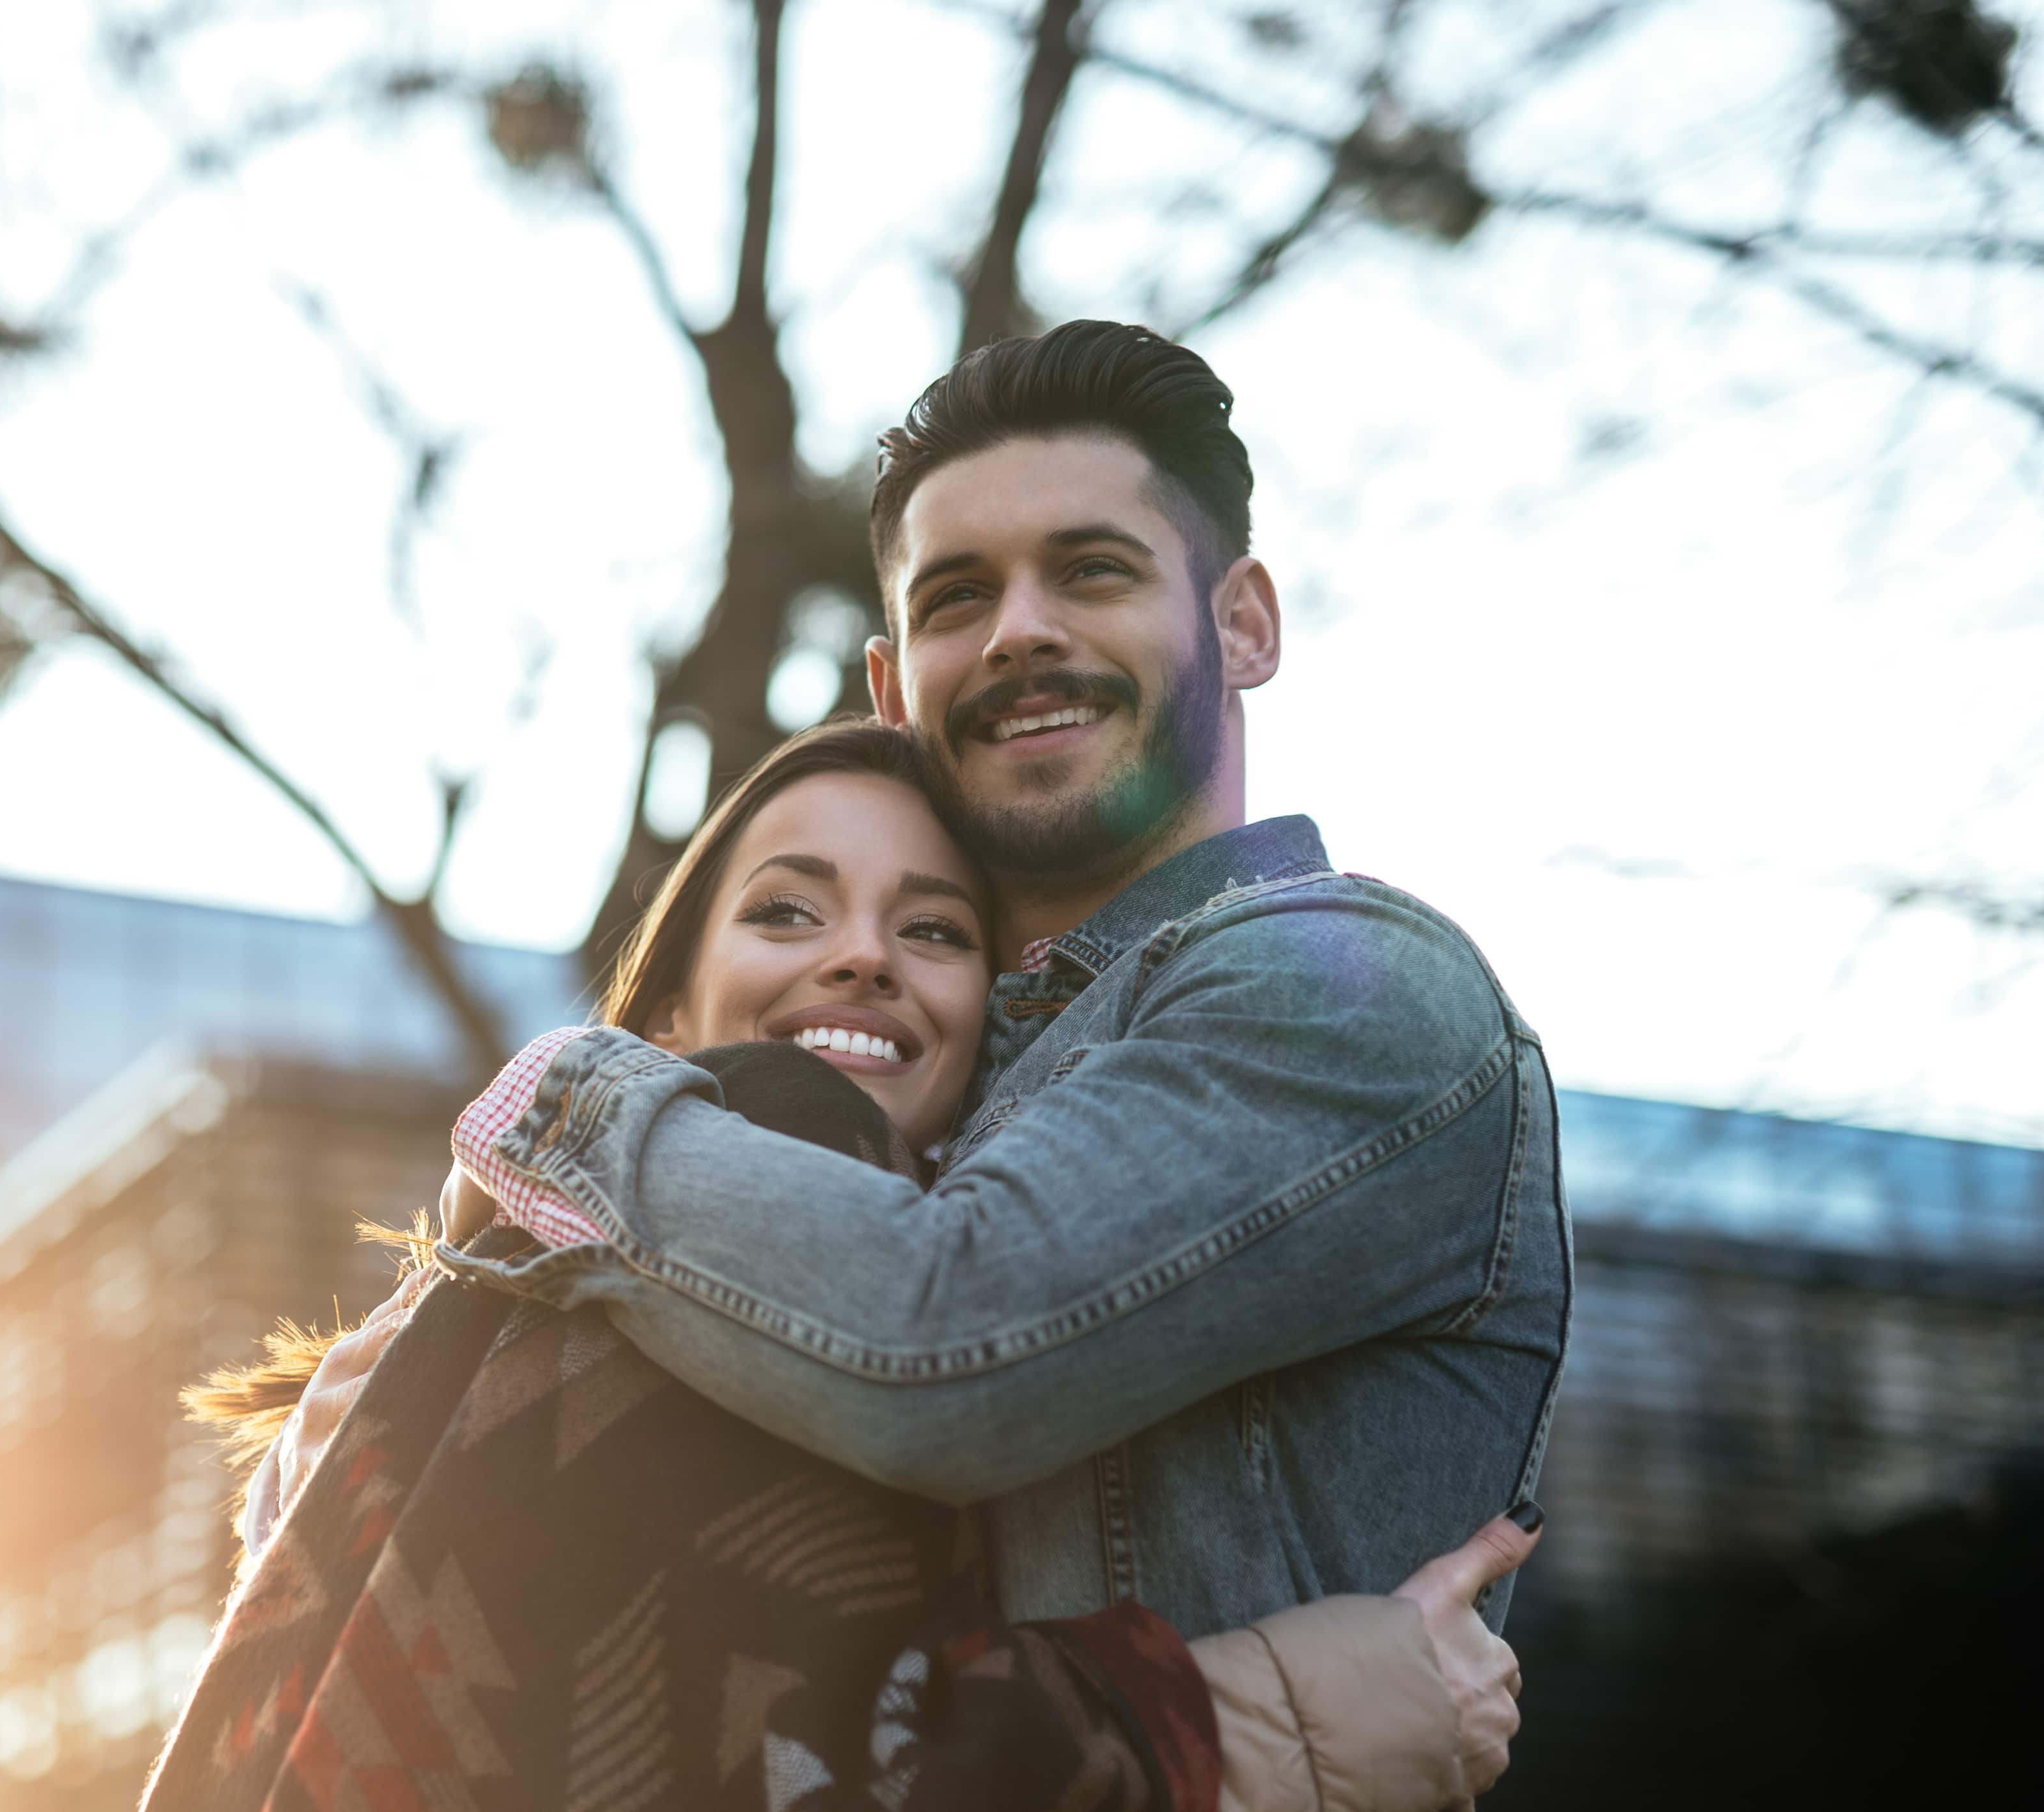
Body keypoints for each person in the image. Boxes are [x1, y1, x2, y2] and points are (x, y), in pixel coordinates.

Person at [399, 320, 1569, 1647]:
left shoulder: (1349, 988)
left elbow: (937, 1349)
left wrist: (555, 1111)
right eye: (957, 596)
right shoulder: (927, 1080)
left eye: (1090, 569)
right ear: (893, 686)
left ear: (1240, 625)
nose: (1018, 630)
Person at [160, 722, 1530, 1812]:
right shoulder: (764, 1138)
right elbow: (829, 1761)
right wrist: (1312, 1709)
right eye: (785, 910)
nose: (862, 953)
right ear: (672, 1010)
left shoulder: (455, 1328)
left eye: (933, 930)